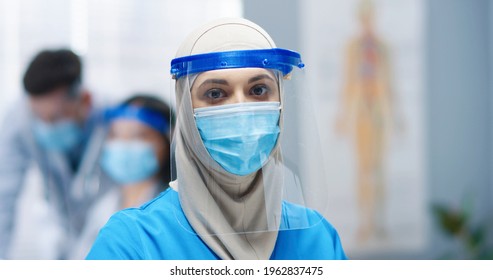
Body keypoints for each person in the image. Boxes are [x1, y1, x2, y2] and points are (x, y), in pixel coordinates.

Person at [86, 17, 347, 260]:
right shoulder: (131, 243)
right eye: (214, 93)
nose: (241, 111)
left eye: (258, 90)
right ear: (186, 110)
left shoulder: (318, 238)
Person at [0, 49, 106, 259]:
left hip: (104, 229)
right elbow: (4, 195)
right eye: (38, 117)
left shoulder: (115, 119)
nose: (45, 126)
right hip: (61, 232)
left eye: (55, 117)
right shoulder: (19, 119)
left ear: (85, 100)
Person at [68, 94, 174, 259]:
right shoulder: (103, 206)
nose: (123, 145)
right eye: (115, 135)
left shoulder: (174, 214)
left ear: (168, 142)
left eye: (138, 136)